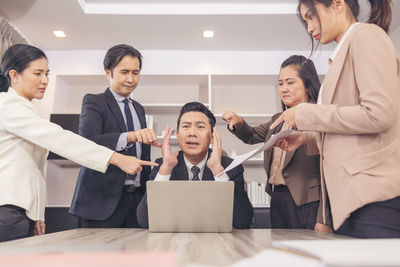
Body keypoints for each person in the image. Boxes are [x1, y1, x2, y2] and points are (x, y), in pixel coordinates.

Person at [0, 44, 157, 242]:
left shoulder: (25, 110)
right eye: (38, 73)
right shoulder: (8, 106)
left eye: (47, 73)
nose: (45, 81)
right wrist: (117, 158)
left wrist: (37, 213)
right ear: (14, 76)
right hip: (6, 212)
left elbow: (34, 169)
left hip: (20, 211)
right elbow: (62, 139)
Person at [271, 0, 400, 238]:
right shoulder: (341, 56)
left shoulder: (366, 36)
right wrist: (307, 138)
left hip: (372, 199)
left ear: (338, 3)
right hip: (350, 204)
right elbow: (349, 129)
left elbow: (379, 114)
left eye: (311, 16)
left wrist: (305, 114)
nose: (309, 28)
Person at [222, 55, 330, 231]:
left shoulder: (320, 116)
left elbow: (330, 171)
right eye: (280, 83)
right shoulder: (278, 120)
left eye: (290, 82)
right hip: (278, 198)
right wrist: (239, 122)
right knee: (283, 252)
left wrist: (324, 217)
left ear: (307, 84)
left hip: (309, 202)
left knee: (309, 254)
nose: (284, 89)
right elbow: (251, 135)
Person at [69, 44, 161, 228]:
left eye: (136, 73)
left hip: (136, 200)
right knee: (98, 257)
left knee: (136, 255)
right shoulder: (94, 101)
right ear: (107, 72)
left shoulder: (139, 109)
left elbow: (142, 156)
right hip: (100, 201)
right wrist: (130, 136)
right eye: (124, 72)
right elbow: (88, 141)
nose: (130, 79)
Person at [136, 102, 254, 229]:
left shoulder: (230, 167)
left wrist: (218, 171)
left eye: (200, 127)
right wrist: (166, 170)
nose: (192, 133)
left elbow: (243, 221)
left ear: (212, 137)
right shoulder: (162, 165)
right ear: (177, 135)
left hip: (216, 242)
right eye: (186, 126)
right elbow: (144, 221)